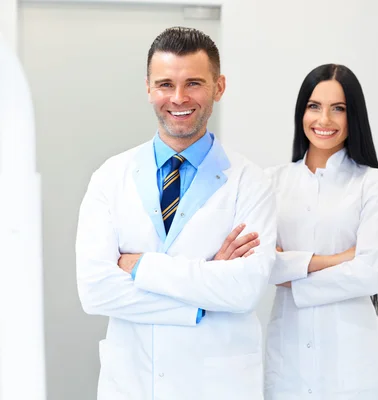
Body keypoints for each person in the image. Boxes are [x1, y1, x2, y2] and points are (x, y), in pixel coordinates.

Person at [75, 27, 276, 400]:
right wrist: (204, 292)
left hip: (217, 386)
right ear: (148, 88)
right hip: (133, 383)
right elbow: (95, 290)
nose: (179, 98)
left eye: (194, 83)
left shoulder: (251, 182)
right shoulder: (110, 177)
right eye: (166, 84)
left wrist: (139, 267)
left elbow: (244, 289)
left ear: (219, 87)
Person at [264, 64, 378, 399]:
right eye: (314, 106)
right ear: (301, 112)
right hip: (288, 358)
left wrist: (291, 273)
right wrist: (341, 259)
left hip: (350, 362)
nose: (324, 120)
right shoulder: (271, 183)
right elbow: (264, 266)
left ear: (354, 117)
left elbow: (369, 276)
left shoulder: (371, 185)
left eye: (338, 108)